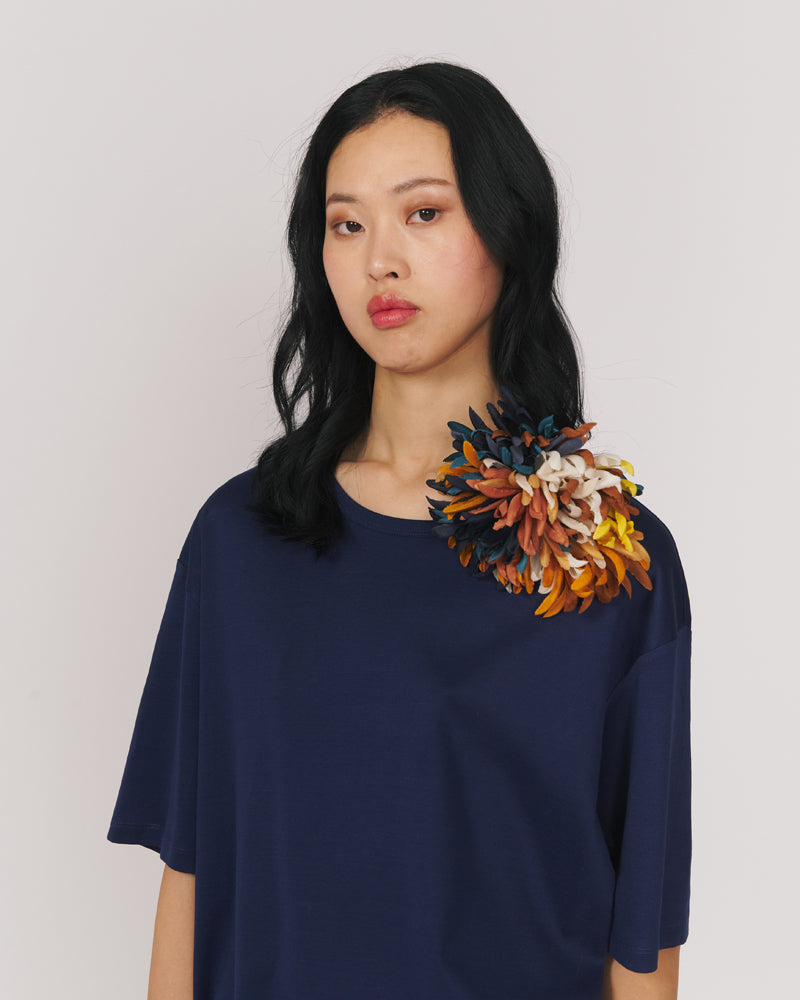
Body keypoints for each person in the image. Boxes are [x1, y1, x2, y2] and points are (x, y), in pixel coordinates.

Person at [107, 62, 691, 999]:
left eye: (424, 213)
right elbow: (192, 870)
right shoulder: (240, 540)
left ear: (508, 227)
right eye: (347, 224)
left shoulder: (610, 557)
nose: (380, 258)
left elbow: (643, 926)